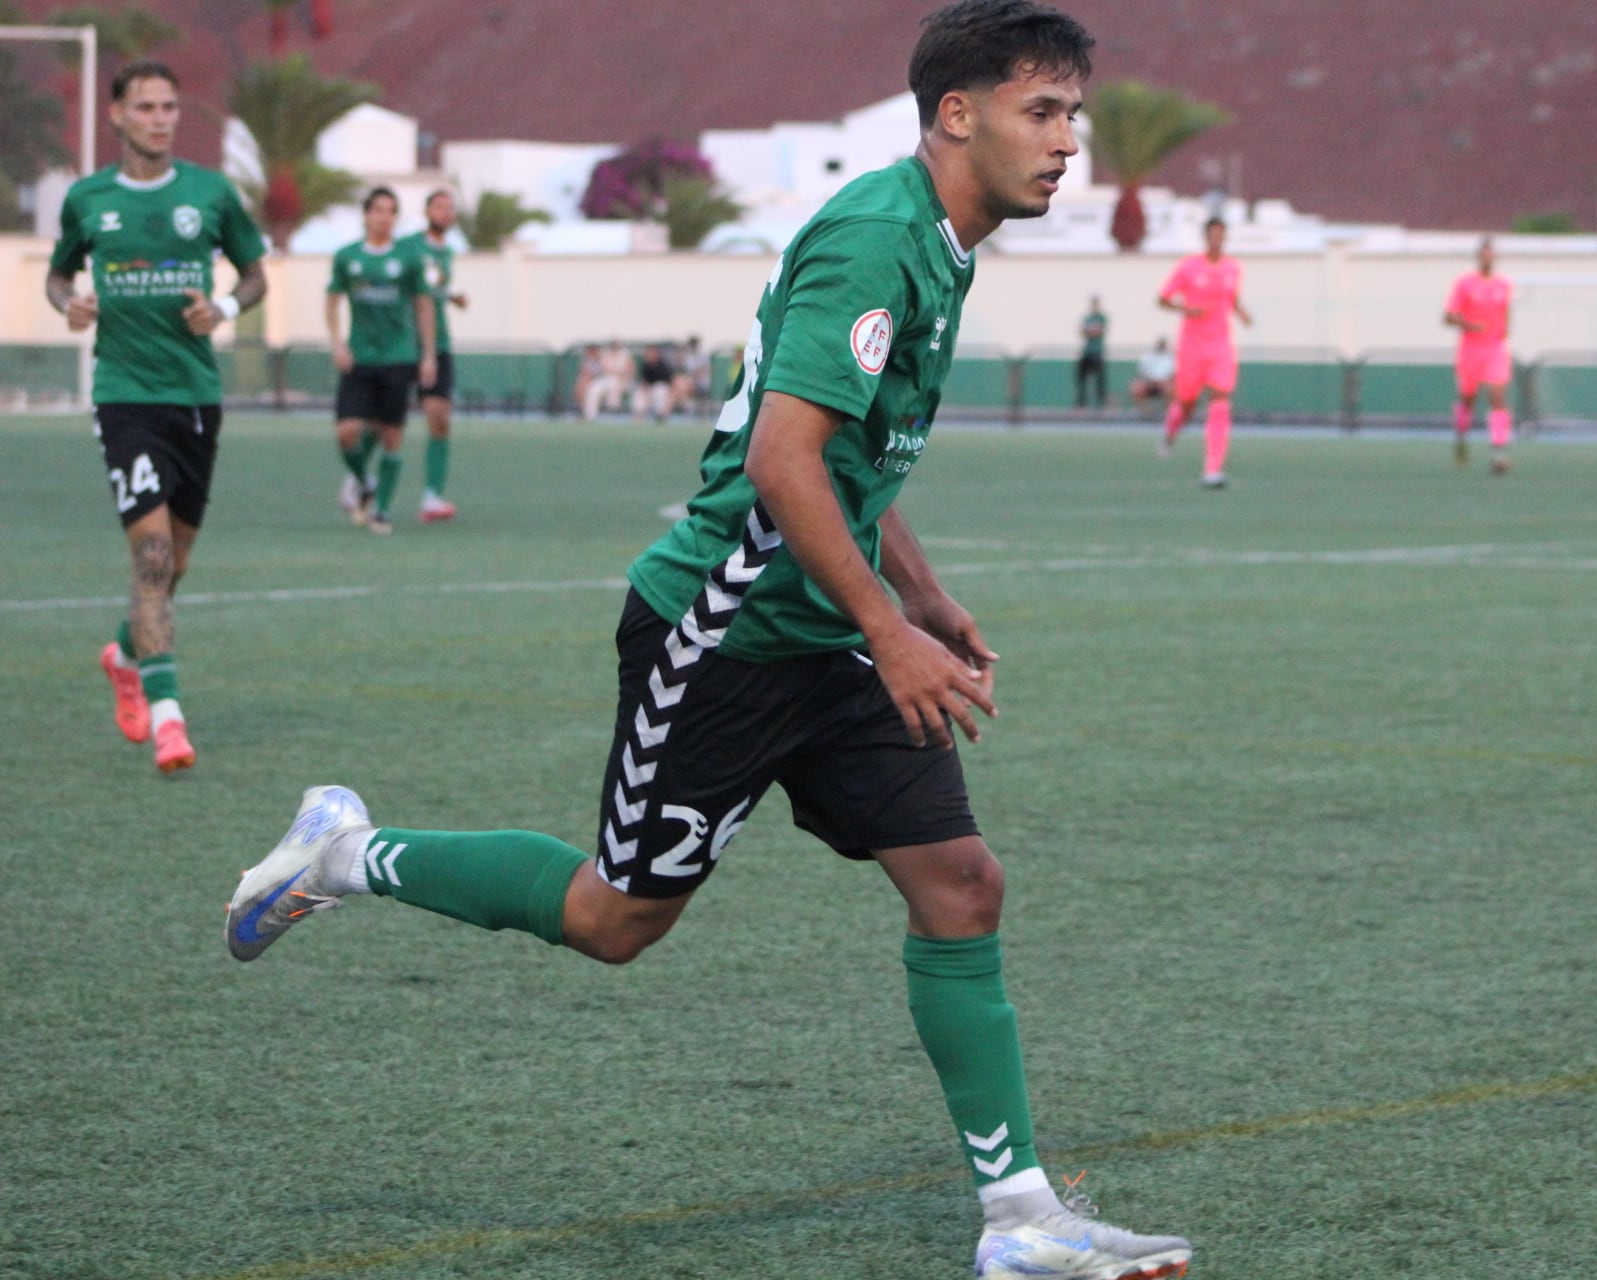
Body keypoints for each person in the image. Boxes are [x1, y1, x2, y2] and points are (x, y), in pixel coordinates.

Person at [224, 5, 1191, 1278]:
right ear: (958, 114)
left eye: (1076, 114)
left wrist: (924, 595)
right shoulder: (874, 239)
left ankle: (1020, 1221)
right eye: (1045, 111)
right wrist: (887, 626)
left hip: (825, 636)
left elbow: (850, 456)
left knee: (963, 882)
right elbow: (783, 460)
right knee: (614, 918)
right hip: (721, 633)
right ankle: (349, 851)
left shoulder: (944, 244)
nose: (1071, 143)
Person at [48, 61, 267, 774]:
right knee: (150, 557)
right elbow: (58, 275)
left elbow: (254, 271)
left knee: (176, 561)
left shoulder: (211, 194)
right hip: (124, 395)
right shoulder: (88, 199)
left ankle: (123, 648)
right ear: (116, 115)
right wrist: (69, 303)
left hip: (196, 394)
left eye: (170, 105)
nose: (161, 117)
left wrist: (226, 307)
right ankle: (170, 719)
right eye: (145, 106)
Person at [327, 187, 435, 535]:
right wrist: (337, 343)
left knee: (390, 435)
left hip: (398, 357)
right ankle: (365, 481)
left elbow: (423, 304)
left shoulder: (408, 257)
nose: (384, 217)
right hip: (360, 357)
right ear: (366, 215)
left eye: (391, 211)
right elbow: (332, 300)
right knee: (346, 432)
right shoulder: (347, 256)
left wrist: (428, 354)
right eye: (378, 210)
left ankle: (382, 512)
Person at [1157, 217, 1252, 488]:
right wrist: (1186, 310)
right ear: (1205, 237)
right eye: (1212, 235)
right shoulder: (1188, 267)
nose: (1217, 240)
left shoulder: (1233, 268)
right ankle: (1171, 430)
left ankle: (1212, 469)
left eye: (1221, 235)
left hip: (1221, 344)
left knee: (1220, 398)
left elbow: (1232, 297)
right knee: (1186, 402)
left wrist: (1241, 312)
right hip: (1191, 346)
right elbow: (1162, 298)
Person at [397, 188, 467, 523]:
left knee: (439, 417)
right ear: (427, 211)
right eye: (439, 207)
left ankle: (432, 497)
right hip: (400, 344)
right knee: (381, 423)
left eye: (450, 208)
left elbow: (431, 286)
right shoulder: (409, 246)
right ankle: (360, 481)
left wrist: (452, 297)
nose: (445, 213)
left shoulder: (448, 252)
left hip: (437, 345)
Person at [1445, 234, 1515, 474]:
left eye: (1490, 254)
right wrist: (1469, 324)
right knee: (1468, 399)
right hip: (1470, 349)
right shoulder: (1464, 284)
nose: (1487, 258)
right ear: (1478, 257)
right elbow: (1448, 316)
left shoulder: (1504, 285)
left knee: (1497, 397)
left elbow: (1506, 312)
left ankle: (1499, 453)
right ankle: (1461, 437)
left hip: (1494, 349)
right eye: (1483, 254)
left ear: (1494, 257)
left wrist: (1504, 336)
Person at [1075, 294, 1107, 408]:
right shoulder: (1087, 318)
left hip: (1097, 352)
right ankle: (1081, 402)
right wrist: (1090, 331)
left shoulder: (1102, 318)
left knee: (1100, 379)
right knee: (1081, 378)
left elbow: (1098, 331)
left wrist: (1089, 331)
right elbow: (1081, 331)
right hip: (1086, 352)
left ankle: (1100, 403)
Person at [1130, 336, 1174, 411]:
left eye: (1163, 344)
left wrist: (1163, 382)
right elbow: (1142, 373)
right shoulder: (1147, 357)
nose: (1161, 346)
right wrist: (1149, 381)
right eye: (1160, 344)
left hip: (1164, 384)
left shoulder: (1171, 357)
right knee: (1136, 388)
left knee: (1171, 388)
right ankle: (1145, 411)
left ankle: (1168, 411)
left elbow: (1172, 374)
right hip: (1149, 383)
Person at [637, 342, 676, 422]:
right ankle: (639, 417)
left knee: (659, 390)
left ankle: (661, 416)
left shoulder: (663, 366)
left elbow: (670, 384)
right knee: (639, 393)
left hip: (663, 390)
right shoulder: (646, 365)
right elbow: (645, 382)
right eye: (648, 352)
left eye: (652, 352)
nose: (649, 354)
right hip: (649, 390)